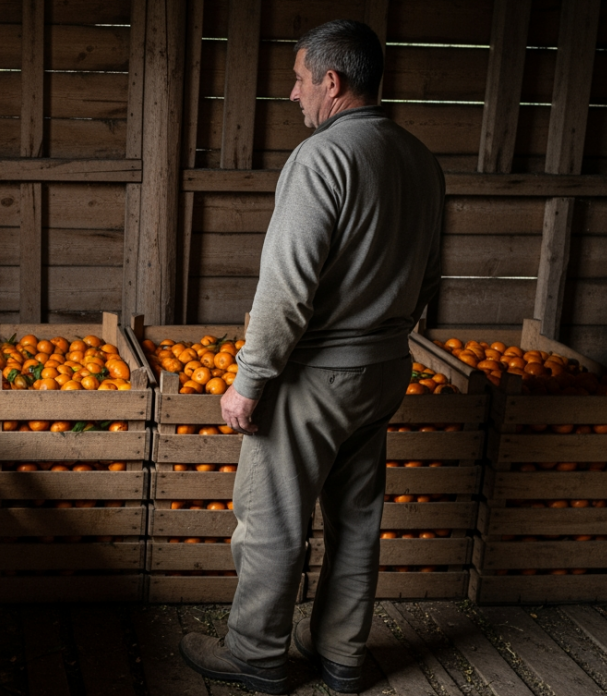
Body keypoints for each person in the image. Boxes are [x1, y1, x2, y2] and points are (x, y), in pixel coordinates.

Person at [177, 19, 444, 695]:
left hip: (315, 374)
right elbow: (430, 276)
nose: (293, 94)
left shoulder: (322, 158)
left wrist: (250, 379)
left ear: (332, 80)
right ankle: (342, 654)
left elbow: (286, 287)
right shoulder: (419, 159)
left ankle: (254, 655)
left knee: (271, 519)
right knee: (356, 519)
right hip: (385, 366)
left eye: (299, 80)